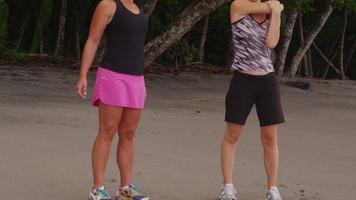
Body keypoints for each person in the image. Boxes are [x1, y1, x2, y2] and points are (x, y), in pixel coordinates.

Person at [75, 0, 149, 199]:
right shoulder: (108, 5)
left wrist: (141, 82)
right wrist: (83, 75)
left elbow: (135, 47)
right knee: (107, 133)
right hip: (113, 76)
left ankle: (125, 189)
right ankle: (97, 189)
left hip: (136, 79)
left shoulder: (137, 9)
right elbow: (92, 40)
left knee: (128, 134)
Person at [220, 0, 284, 200]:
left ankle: (272, 188)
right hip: (242, 80)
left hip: (267, 81)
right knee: (232, 135)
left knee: (270, 138)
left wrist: (277, 13)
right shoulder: (238, 6)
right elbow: (268, 7)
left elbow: (271, 43)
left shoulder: (272, 13)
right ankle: (228, 187)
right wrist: (277, 7)